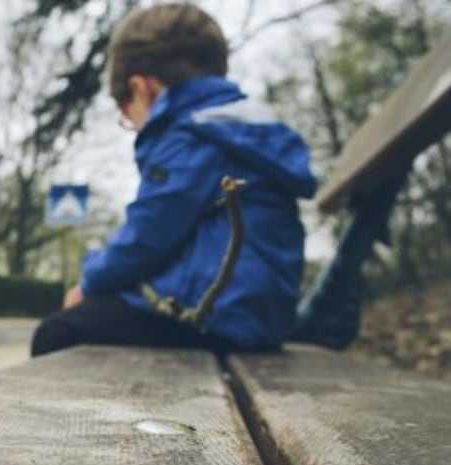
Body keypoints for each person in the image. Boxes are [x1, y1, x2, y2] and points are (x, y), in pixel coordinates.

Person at [31, 3, 317, 357]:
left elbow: (147, 237)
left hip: (211, 320)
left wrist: (88, 282)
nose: (133, 126)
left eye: (126, 114)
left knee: (59, 332)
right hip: (255, 321)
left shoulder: (191, 136)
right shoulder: (241, 130)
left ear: (141, 88)